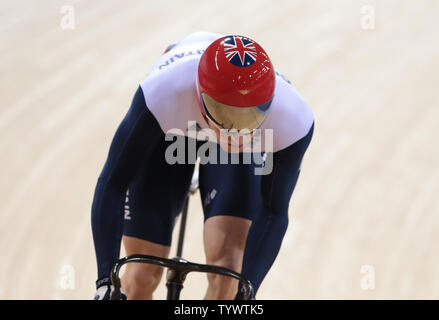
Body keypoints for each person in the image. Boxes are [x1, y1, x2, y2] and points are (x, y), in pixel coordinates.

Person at [92, 31, 314, 300]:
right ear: (199, 94)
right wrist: (105, 281)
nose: (235, 133)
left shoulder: (293, 119)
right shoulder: (163, 93)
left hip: (236, 145)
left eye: (248, 117)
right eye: (228, 117)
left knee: (228, 277)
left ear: (269, 103)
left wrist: (247, 293)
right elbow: (114, 181)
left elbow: (274, 211)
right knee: (141, 274)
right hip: (173, 130)